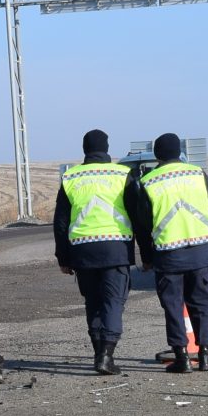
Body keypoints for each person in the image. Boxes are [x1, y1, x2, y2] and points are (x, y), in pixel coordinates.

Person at [128, 133, 208, 375]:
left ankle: (182, 357)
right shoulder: (198, 174)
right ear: (179, 152)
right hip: (200, 250)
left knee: (173, 306)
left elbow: (143, 226)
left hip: (168, 254)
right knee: (201, 304)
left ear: (157, 155)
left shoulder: (149, 182)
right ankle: (206, 354)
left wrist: (146, 258)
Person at [53, 130, 137, 375]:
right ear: (107, 148)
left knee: (93, 303)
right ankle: (106, 356)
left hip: (83, 250)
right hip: (116, 249)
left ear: (84, 149)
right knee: (113, 302)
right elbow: (137, 215)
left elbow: (60, 222)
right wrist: (145, 251)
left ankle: (98, 352)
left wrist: (63, 257)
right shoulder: (122, 174)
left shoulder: (71, 177)